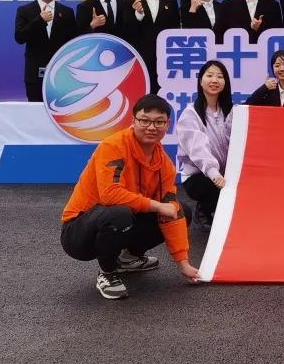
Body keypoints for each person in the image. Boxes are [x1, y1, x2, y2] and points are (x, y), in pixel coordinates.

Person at [60, 94, 199, 300]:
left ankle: (128, 259)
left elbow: (170, 211)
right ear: (133, 121)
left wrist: (183, 263)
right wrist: (156, 206)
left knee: (181, 210)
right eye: (145, 121)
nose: (151, 127)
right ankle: (107, 273)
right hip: (78, 232)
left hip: (122, 218)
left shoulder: (165, 165)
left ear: (167, 125)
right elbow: (109, 195)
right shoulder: (113, 146)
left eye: (159, 122)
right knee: (120, 214)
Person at [176, 61, 234, 226]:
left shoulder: (230, 111)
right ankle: (203, 210)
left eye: (220, 76)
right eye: (209, 75)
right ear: (200, 81)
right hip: (199, 176)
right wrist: (214, 172)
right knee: (213, 186)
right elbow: (198, 150)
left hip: (224, 173)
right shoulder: (191, 114)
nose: (214, 80)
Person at [14, 0, 78, 101]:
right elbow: (19, 37)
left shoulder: (67, 12)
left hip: (61, 73)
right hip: (34, 73)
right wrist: (40, 20)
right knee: (35, 110)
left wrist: (91, 26)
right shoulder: (24, 10)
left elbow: (73, 42)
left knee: (60, 108)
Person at [122, 0, 179, 93]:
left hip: (166, 59)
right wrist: (138, 15)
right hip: (140, 59)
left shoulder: (171, 1)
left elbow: (175, 31)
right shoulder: (130, 1)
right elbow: (127, 33)